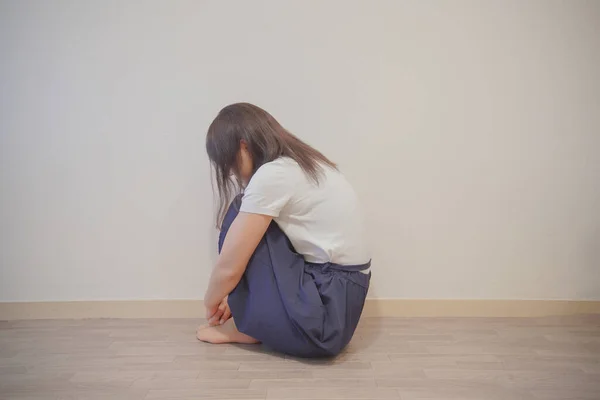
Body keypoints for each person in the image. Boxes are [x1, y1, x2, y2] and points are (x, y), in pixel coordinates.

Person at [197, 103, 371, 357]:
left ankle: (249, 326)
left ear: (243, 146)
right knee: (253, 217)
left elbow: (229, 268)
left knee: (240, 210)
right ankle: (255, 322)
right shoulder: (305, 164)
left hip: (321, 323)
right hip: (337, 307)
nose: (233, 174)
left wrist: (211, 304)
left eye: (230, 163)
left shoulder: (273, 176)